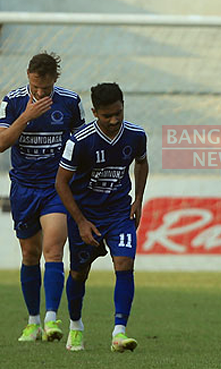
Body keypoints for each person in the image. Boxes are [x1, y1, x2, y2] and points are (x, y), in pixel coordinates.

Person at [55, 83, 149, 352]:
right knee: (78, 273)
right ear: (95, 112)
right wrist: (81, 221)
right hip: (85, 216)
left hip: (119, 212)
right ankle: (75, 326)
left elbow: (142, 162)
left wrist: (139, 199)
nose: (114, 120)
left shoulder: (135, 135)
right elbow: (61, 183)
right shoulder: (79, 141)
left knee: (124, 262)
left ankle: (119, 332)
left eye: (118, 112)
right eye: (107, 115)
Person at [0, 52, 85, 342]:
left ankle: (51, 319)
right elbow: (1, 143)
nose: (40, 92)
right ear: (28, 76)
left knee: (53, 250)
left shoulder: (70, 102)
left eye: (45, 89)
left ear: (55, 80)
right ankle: (33, 321)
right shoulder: (12, 102)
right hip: (23, 188)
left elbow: (80, 146)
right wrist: (27, 116)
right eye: (35, 86)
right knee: (29, 254)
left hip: (55, 188)